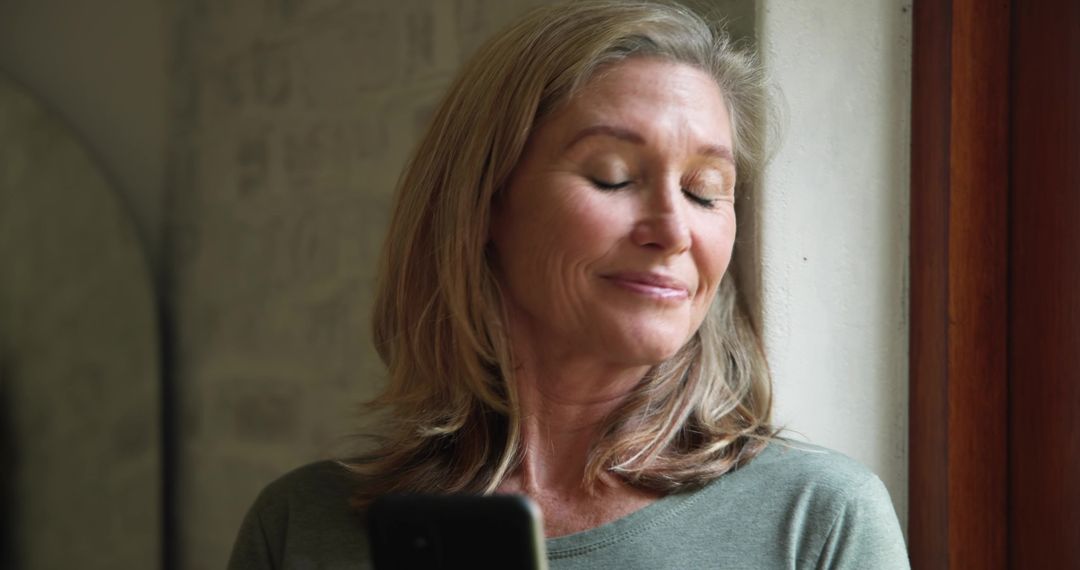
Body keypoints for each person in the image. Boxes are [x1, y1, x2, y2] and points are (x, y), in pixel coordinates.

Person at [228, 1, 910, 568]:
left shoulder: (818, 522)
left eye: (706, 192)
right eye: (613, 175)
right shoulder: (303, 530)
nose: (673, 230)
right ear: (485, 201)